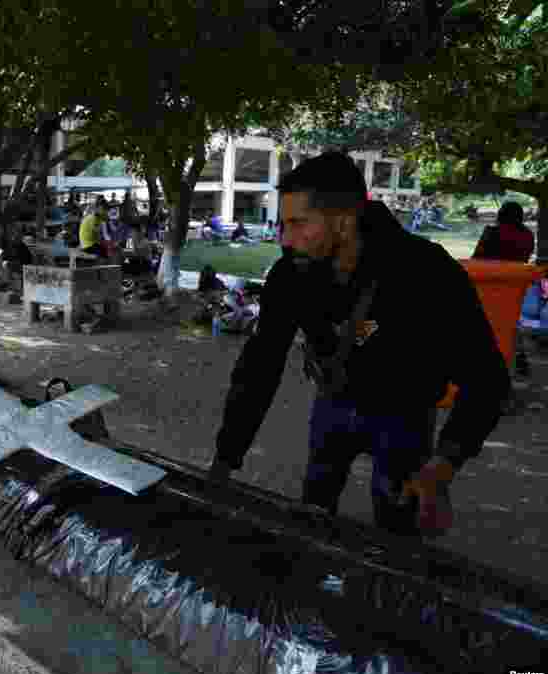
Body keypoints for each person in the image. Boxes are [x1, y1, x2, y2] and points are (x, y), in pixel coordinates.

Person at [208, 152, 510, 538]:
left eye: (299, 224)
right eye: (283, 224)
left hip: (403, 413)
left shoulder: (425, 272)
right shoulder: (292, 273)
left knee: (396, 527)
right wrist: (226, 458)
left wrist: (444, 464)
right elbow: (261, 363)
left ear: (344, 221)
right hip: (333, 401)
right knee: (313, 515)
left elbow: (488, 379)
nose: (285, 238)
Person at [472, 201, 536, 377]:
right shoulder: (527, 235)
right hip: (516, 286)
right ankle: (517, 356)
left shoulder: (492, 233)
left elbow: (477, 259)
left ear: (501, 214)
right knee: (512, 322)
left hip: (491, 284)